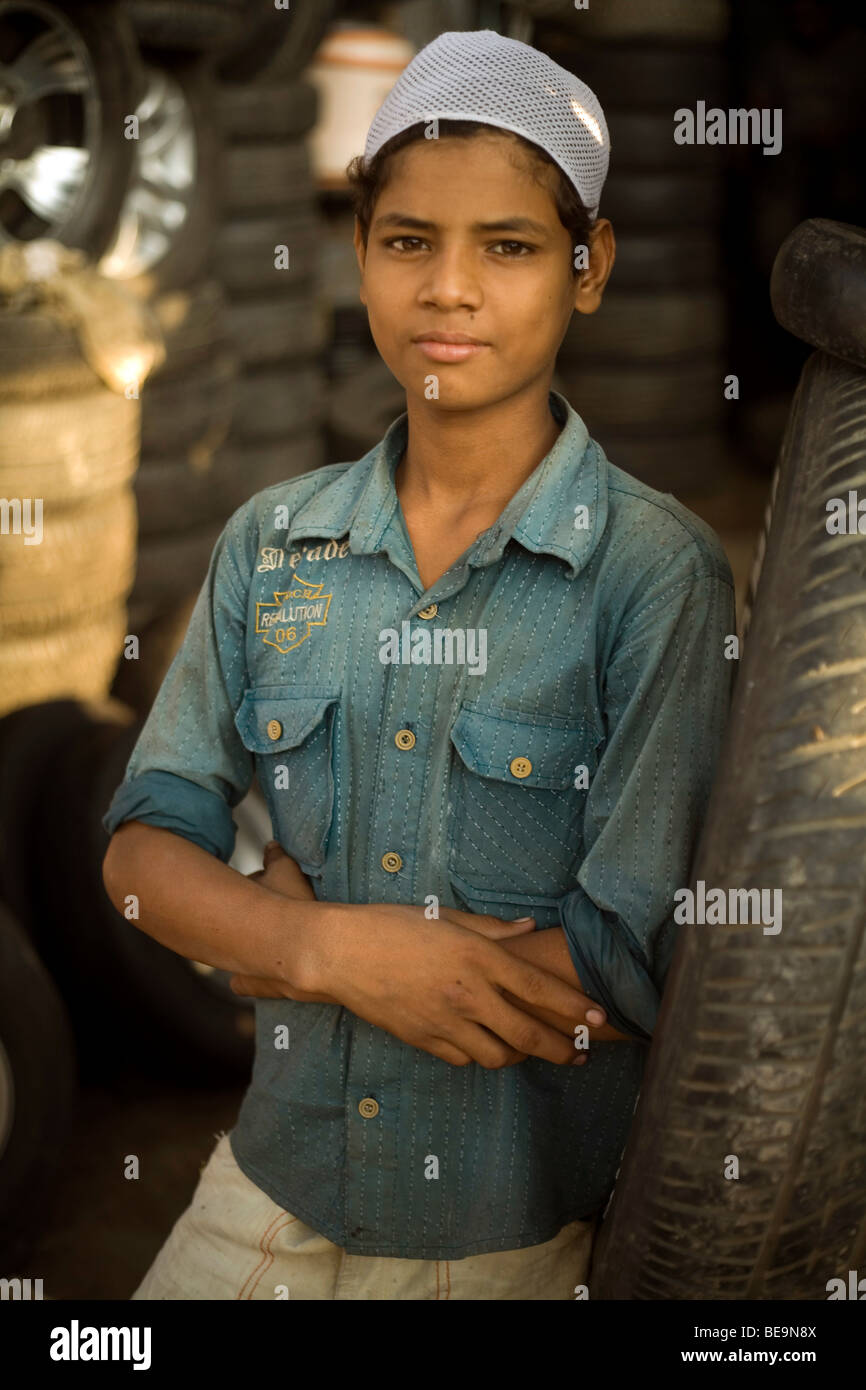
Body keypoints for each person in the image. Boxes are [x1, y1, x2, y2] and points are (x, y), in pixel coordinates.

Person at [101, 28, 736, 1300]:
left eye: (505, 247)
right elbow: (136, 855)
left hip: (509, 1231)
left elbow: (626, 964)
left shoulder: (652, 575)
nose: (448, 289)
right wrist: (333, 952)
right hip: (269, 1184)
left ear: (588, 267)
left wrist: (256, 928)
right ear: (359, 255)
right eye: (408, 242)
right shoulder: (271, 545)